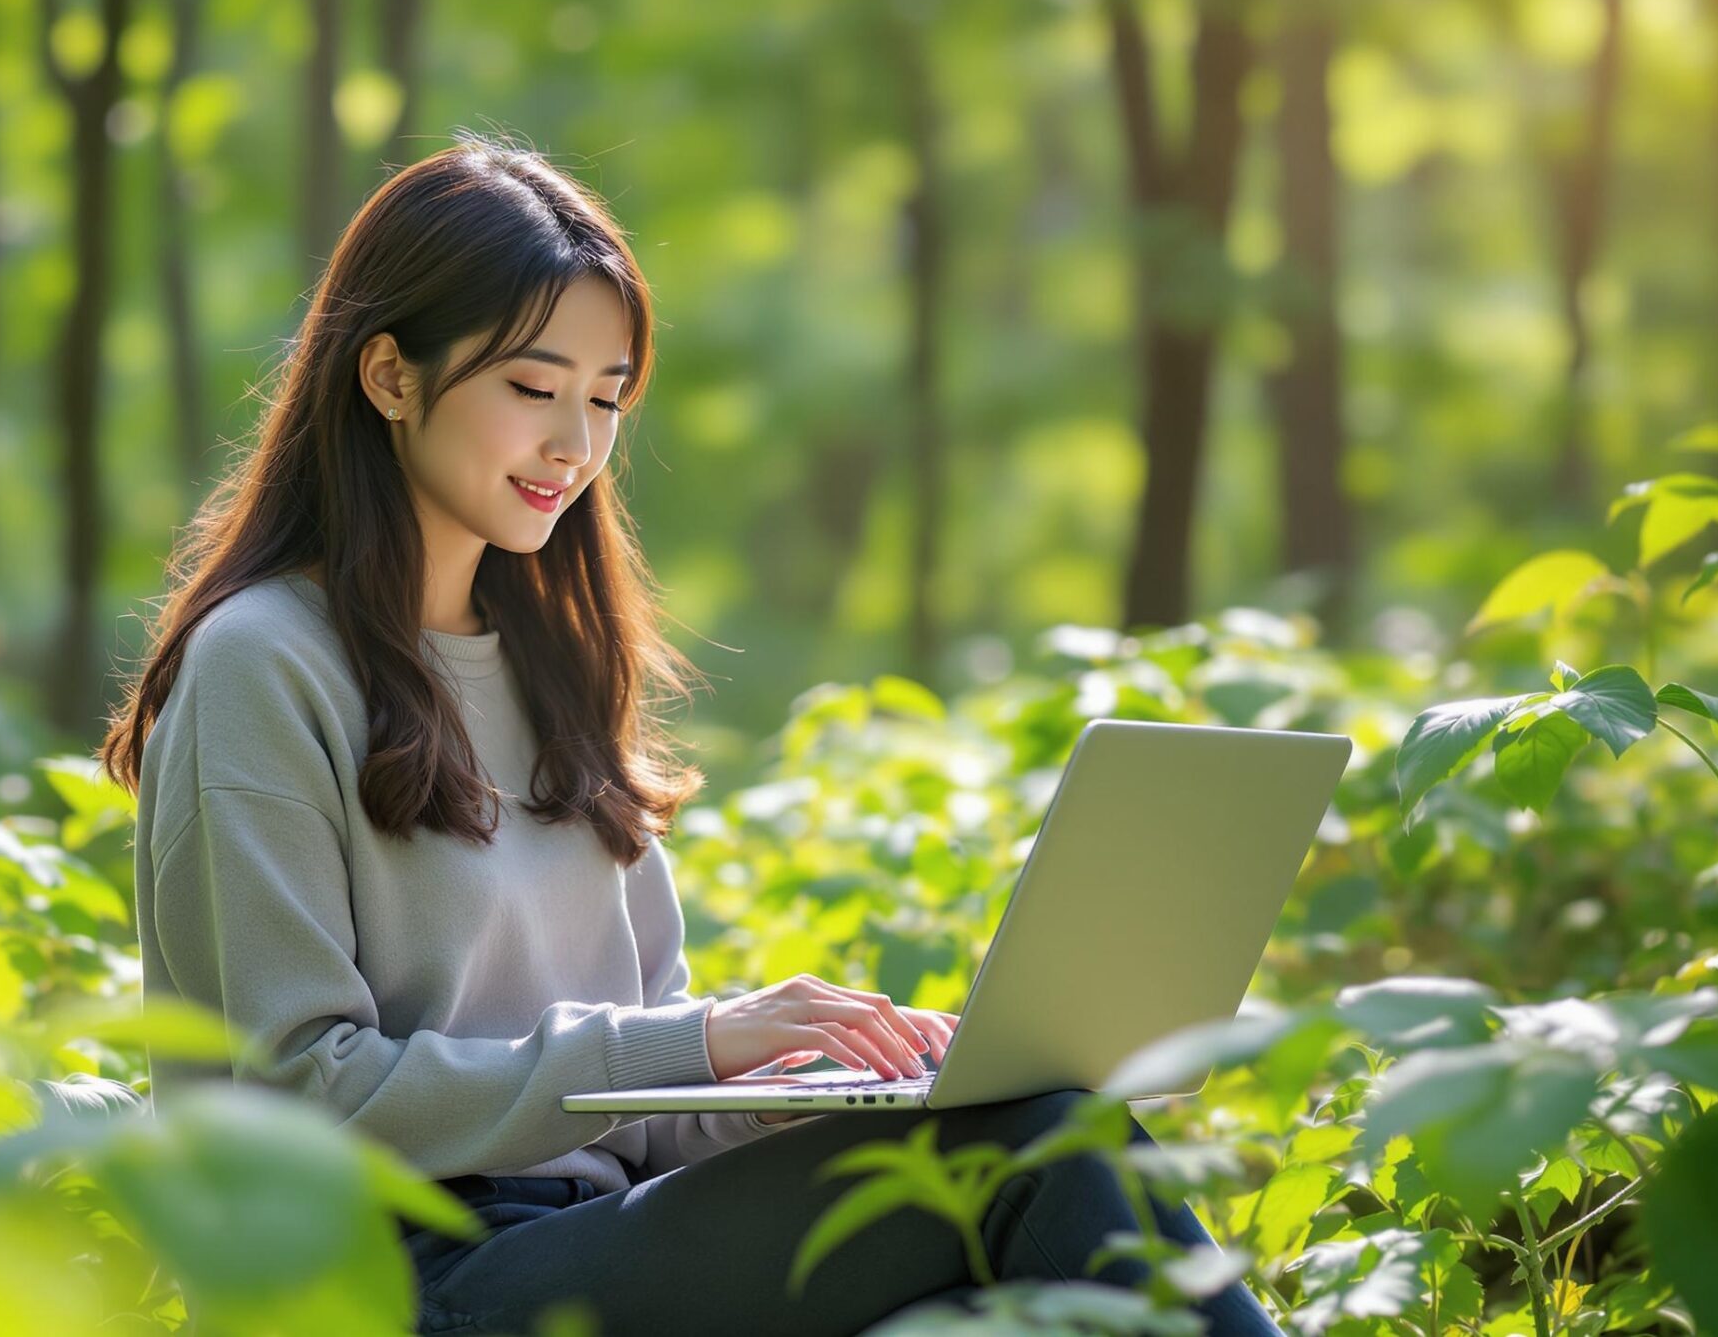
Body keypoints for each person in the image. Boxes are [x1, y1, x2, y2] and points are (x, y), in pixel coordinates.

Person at [98, 132, 1282, 1337]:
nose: (575, 444)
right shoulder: (261, 663)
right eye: (530, 387)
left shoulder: (551, 667)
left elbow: (641, 1115)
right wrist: (698, 1037)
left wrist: (821, 1086)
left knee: (1023, 1150)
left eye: (606, 399)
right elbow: (300, 1092)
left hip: (577, 1240)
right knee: (1020, 1157)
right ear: (391, 376)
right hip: (384, 1285)